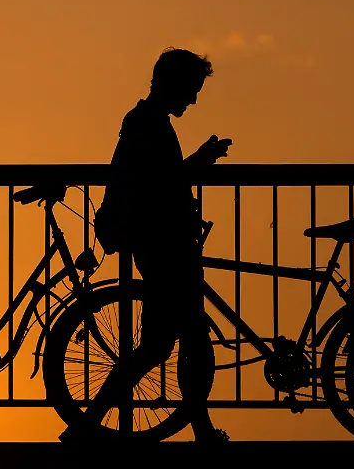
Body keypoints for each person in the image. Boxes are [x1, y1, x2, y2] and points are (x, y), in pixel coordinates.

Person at [67, 47, 233, 442]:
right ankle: (88, 427)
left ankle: (89, 427)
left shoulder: (144, 120)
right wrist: (203, 160)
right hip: (166, 245)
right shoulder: (149, 124)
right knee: (178, 343)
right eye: (190, 90)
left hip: (162, 242)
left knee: (172, 343)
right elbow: (163, 183)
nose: (192, 99)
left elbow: (157, 178)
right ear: (172, 85)